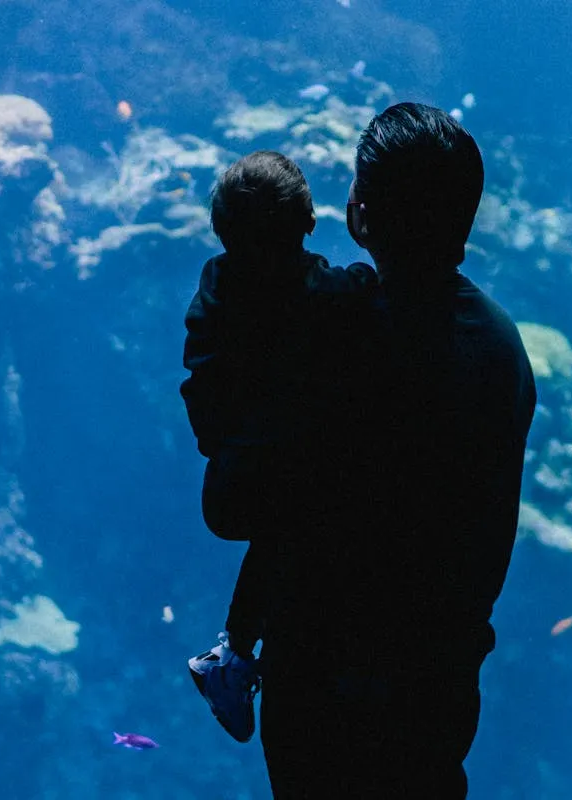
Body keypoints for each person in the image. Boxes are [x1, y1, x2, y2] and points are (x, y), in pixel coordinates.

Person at [203, 103, 538, 798]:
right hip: (437, 694)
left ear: (365, 212)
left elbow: (232, 504)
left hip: (327, 698)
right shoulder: (502, 347)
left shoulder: (347, 340)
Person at [179, 150, 377, 744]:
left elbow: (204, 388)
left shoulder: (217, 283)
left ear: (221, 227)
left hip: (230, 480)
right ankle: (232, 654)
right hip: (291, 485)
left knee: (279, 530)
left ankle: (233, 654)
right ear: (309, 221)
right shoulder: (326, 293)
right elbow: (365, 286)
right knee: (297, 520)